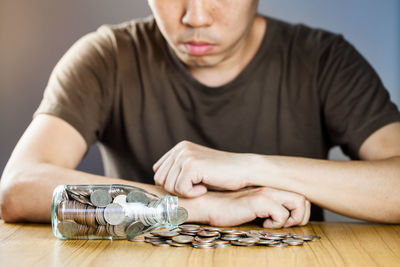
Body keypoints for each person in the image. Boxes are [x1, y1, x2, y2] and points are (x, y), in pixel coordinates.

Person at [1, 0, 400, 228]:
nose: (194, 17)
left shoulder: (324, 60)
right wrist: (198, 208)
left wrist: (253, 169)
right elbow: (19, 188)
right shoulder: (107, 56)